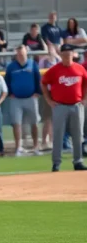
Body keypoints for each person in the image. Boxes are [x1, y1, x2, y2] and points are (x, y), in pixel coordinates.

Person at [41, 44, 87, 172]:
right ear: (61, 55)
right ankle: (56, 163)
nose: (67, 57)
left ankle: (78, 161)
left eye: (69, 54)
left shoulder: (79, 68)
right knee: (58, 135)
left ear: (73, 55)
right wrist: (49, 100)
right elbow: (44, 83)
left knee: (78, 134)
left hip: (77, 105)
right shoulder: (55, 70)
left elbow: (85, 83)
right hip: (60, 106)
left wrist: (84, 98)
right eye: (65, 54)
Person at [5, 45, 42, 156]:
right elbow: (7, 80)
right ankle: (18, 147)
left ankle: (36, 146)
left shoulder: (33, 64)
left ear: (26, 53)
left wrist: (38, 92)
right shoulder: (11, 66)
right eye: (19, 54)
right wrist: (10, 93)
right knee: (16, 123)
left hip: (31, 98)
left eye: (22, 54)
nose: (20, 56)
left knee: (34, 122)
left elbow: (38, 78)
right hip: (16, 99)